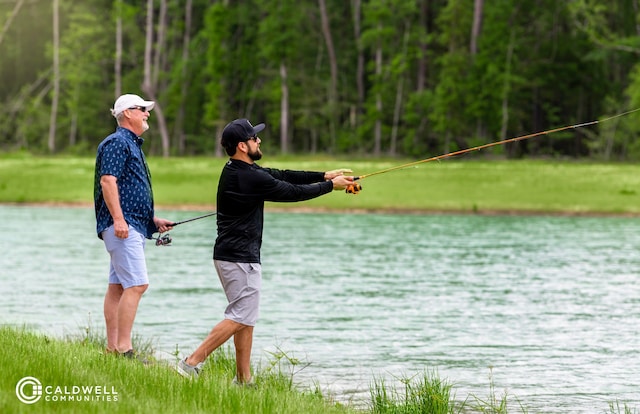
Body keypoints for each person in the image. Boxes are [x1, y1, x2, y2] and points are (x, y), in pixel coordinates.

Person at [176, 118, 354, 382]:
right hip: (239, 258)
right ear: (242, 146)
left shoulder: (241, 170)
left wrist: (324, 175)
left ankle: (244, 380)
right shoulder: (247, 176)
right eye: (254, 138)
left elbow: (281, 175)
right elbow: (292, 192)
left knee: (245, 317)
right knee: (240, 316)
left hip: (232, 255)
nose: (259, 140)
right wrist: (331, 187)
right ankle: (191, 363)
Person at [94, 93, 174, 358]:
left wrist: (152, 220)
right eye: (142, 109)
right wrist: (118, 220)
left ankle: (111, 348)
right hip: (122, 227)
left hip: (132, 225)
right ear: (127, 113)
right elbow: (108, 181)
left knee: (118, 287)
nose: (147, 114)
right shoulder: (118, 142)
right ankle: (125, 349)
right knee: (138, 285)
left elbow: (127, 190)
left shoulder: (131, 144)